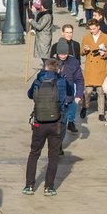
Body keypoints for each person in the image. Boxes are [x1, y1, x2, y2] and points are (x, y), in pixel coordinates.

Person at [23, 59, 69, 196]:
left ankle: (29, 186)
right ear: (57, 69)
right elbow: (68, 94)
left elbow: (30, 95)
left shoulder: (38, 80)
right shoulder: (61, 81)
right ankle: (49, 187)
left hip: (39, 121)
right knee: (53, 155)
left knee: (34, 153)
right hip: (56, 122)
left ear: (45, 68)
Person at [81, 19, 107, 122]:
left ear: (98, 27)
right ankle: (85, 107)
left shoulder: (106, 37)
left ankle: (101, 112)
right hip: (90, 68)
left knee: (101, 91)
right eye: (90, 29)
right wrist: (84, 50)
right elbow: (81, 51)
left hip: (100, 67)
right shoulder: (86, 37)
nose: (92, 31)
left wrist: (105, 54)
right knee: (88, 91)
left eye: (94, 29)